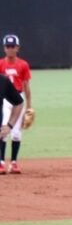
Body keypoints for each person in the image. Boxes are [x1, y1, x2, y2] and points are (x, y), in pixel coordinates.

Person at [0, 34, 32, 174]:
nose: (10, 49)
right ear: (4, 48)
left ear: (17, 48)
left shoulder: (23, 65)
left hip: (18, 99)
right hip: (4, 100)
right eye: (8, 46)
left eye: (12, 46)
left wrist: (29, 106)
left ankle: (13, 163)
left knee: (16, 133)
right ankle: (1, 163)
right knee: (3, 129)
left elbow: (26, 86)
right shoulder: (1, 64)